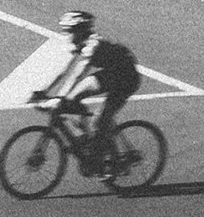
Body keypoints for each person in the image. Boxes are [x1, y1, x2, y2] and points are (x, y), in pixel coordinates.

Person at [38, 11, 141, 151]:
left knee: (99, 121)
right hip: (111, 73)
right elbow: (63, 70)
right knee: (73, 96)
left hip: (127, 78)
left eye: (69, 31)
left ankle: (109, 160)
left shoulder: (92, 45)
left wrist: (59, 98)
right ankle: (87, 135)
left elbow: (77, 74)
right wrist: (43, 91)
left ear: (80, 31)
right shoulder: (78, 42)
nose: (66, 35)